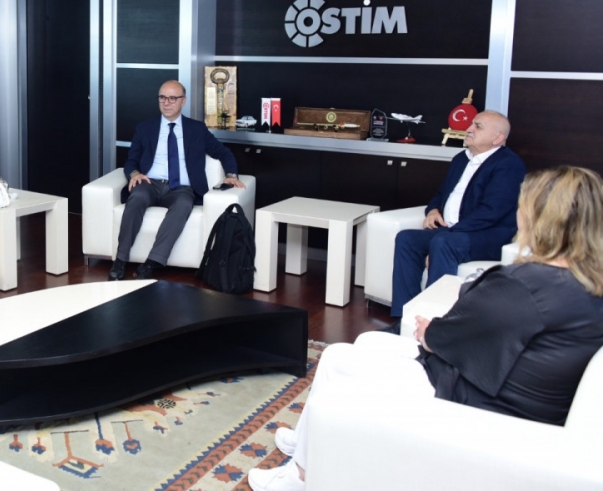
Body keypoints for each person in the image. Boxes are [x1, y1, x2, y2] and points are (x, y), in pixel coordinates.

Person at [247, 165, 603, 491]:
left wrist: (428, 332)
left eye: (522, 206)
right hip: (510, 392)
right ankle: (309, 440)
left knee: (338, 359)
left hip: (476, 403)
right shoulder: (583, 283)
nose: (517, 214)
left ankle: (301, 476)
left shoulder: (525, 286)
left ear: (540, 218)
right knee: (366, 341)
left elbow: (445, 337)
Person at [387, 110, 526, 328]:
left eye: (478, 126)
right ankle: (404, 320)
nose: (469, 129)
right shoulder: (461, 159)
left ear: (497, 138)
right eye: (471, 124)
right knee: (407, 239)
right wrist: (433, 210)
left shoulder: (509, 165)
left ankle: (434, 324)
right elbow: (442, 194)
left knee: (442, 242)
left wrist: (445, 235)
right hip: (452, 231)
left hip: (487, 235)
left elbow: (491, 211)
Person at [109, 80, 245, 281]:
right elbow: (131, 160)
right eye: (162, 97)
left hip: (181, 188)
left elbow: (223, 152)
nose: (167, 103)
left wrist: (231, 175)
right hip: (150, 184)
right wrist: (135, 174)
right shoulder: (145, 128)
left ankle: (151, 263)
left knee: (183, 205)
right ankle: (120, 260)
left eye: (173, 98)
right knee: (136, 198)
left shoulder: (196, 129)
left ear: (183, 101)